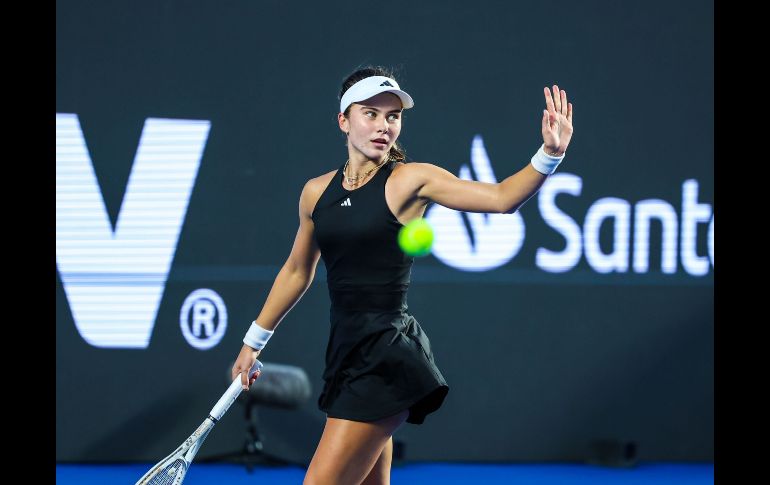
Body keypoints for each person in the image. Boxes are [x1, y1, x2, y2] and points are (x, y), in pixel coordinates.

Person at [231, 65, 574, 484]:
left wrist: (550, 154)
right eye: (370, 113)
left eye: (392, 116)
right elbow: (297, 270)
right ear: (343, 121)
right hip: (345, 355)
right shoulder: (315, 192)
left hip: (385, 358)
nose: (384, 125)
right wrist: (253, 342)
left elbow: (502, 198)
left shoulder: (411, 180)